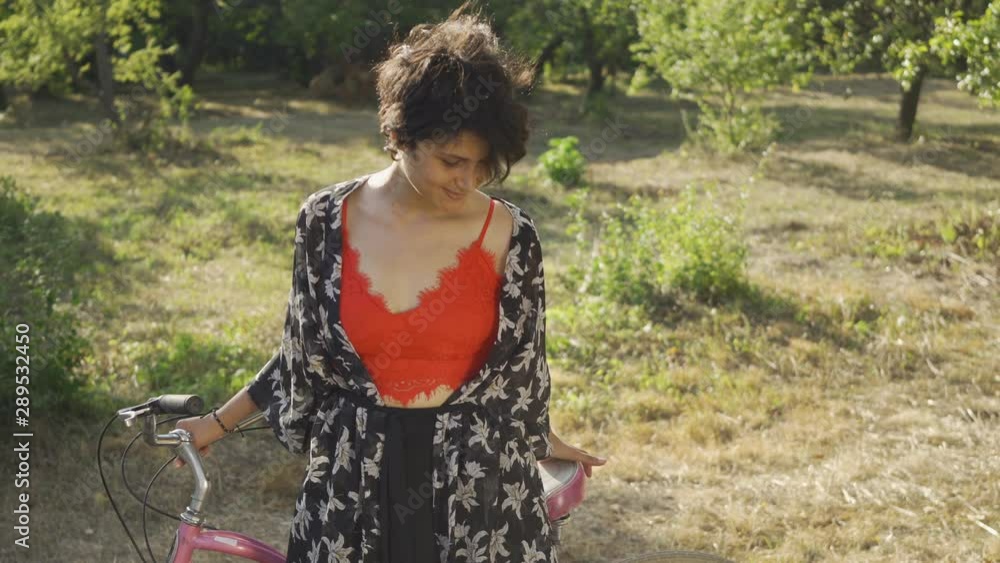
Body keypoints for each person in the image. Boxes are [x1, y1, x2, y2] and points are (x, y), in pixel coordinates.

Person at [174, 3, 606, 561]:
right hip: (354, 482)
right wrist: (215, 424)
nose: (468, 180)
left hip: (478, 488)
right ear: (399, 135)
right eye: (452, 161)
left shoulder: (510, 233)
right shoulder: (325, 222)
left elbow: (517, 374)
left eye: (483, 165)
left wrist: (543, 440)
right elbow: (303, 355)